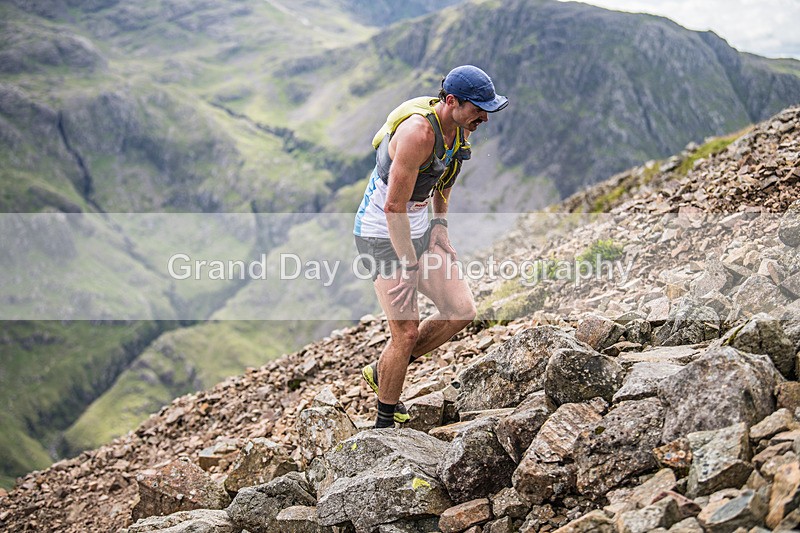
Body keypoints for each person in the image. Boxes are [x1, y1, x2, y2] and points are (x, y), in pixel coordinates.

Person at [353, 65, 508, 428]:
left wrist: (439, 225)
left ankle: (384, 369)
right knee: (405, 332)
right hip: (381, 235)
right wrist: (408, 265)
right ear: (451, 101)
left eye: (488, 108)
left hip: (419, 229)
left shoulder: (458, 130)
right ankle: (383, 426)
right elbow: (393, 207)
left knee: (460, 310)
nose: (484, 116)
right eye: (478, 108)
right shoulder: (418, 134)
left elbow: (444, 178)